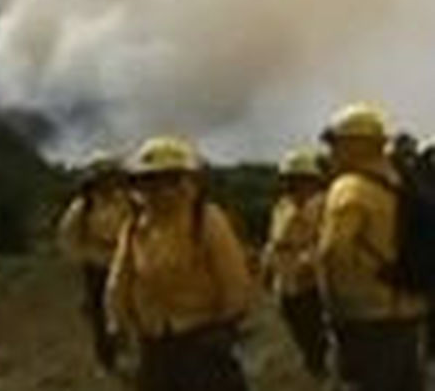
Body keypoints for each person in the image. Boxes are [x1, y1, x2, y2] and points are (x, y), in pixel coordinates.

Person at [107, 136, 253, 391]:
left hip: (202, 337)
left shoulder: (205, 219)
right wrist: (117, 323)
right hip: (154, 343)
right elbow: (119, 282)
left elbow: (234, 279)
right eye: (150, 181)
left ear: (186, 181)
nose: (161, 190)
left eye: (170, 180)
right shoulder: (134, 229)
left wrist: (225, 327)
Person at [317, 103, 426, 391]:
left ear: (357, 144)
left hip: (368, 318)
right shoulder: (401, 180)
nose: (332, 151)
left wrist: (333, 311)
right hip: (408, 309)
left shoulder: (349, 188)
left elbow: (332, 254)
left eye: (336, 143)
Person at [57, 150, 133, 373]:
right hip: (97, 266)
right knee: (100, 310)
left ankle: (129, 348)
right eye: (103, 176)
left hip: (126, 260)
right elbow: (67, 238)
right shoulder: (83, 206)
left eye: (111, 175)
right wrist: (90, 255)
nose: (108, 181)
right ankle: (107, 358)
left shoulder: (127, 200)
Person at [261, 147, 328, 380]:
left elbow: (327, 241)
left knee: (316, 328)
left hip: (313, 281)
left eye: (298, 179)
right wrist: (267, 267)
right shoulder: (282, 207)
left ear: (312, 181)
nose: (293, 185)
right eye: (289, 180)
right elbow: (273, 241)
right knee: (297, 326)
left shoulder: (324, 206)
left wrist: (308, 262)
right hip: (286, 279)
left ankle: (321, 369)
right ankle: (314, 367)